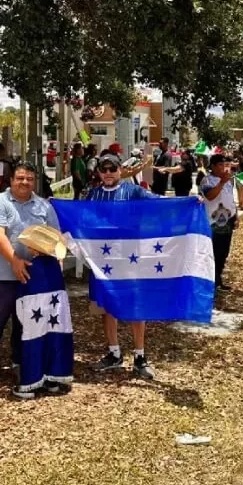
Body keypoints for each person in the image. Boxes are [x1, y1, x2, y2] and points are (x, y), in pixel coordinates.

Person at [0, 163, 61, 396]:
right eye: (20, 178)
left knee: (25, 324)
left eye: (30, 179)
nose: (25, 182)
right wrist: (14, 260)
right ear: (11, 180)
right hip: (0, 276)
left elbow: (54, 237)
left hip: (34, 278)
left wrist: (49, 253)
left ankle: (21, 364)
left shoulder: (44, 206)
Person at [85, 153, 160, 379]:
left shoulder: (133, 191)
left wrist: (188, 201)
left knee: (136, 306)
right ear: (99, 172)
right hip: (103, 261)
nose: (108, 173)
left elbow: (157, 203)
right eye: (104, 169)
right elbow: (80, 218)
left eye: (112, 169)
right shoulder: (93, 195)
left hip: (130, 258)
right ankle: (113, 352)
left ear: (120, 170)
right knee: (108, 307)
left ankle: (140, 355)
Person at [199, 154, 238, 293]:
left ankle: (218, 278)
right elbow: (210, 196)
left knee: (223, 252)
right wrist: (221, 182)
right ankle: (211, 280)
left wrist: (236, 215)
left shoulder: (228, 181)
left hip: (227, 221)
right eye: (220, 165)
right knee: (213, 252)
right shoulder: (207, 180)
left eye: (225, 165)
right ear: (213, 166)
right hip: (213, 222)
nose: (223, 168)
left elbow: (231, 199)